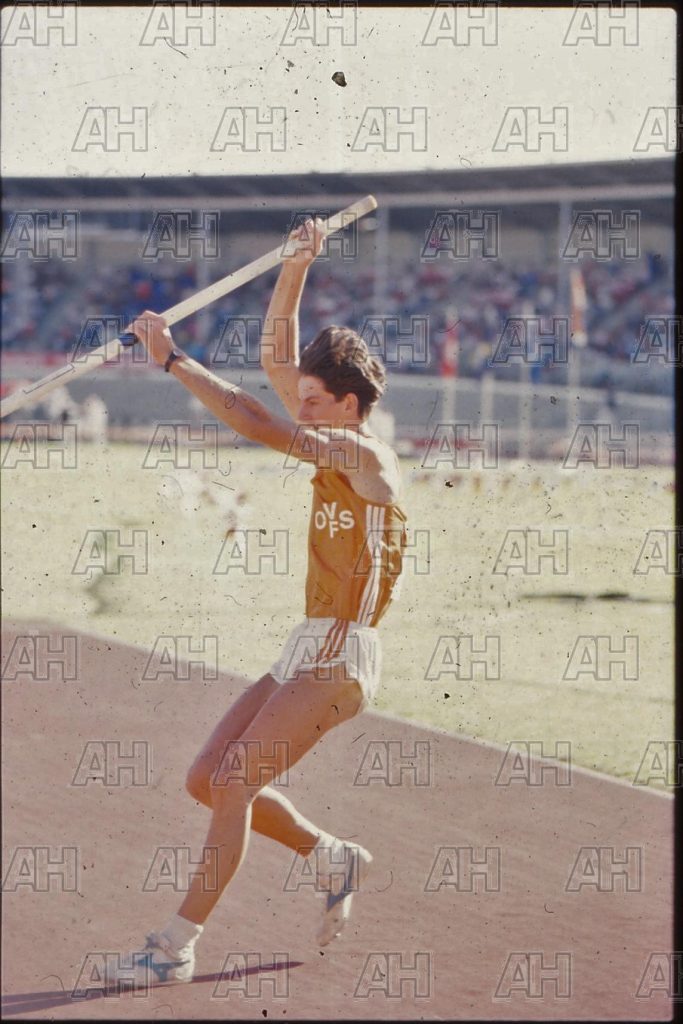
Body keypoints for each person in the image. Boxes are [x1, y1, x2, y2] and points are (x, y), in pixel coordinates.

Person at [107, 218, 409, 988]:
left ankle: (174, 945)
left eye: (312, 400)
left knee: (236, 780)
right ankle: (329, 856)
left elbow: (254, 417)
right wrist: (296, 267)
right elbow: (276, 361)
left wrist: (172, 359)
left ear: (347, 404)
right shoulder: (329, 432)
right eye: (300, 399)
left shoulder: (362, 454)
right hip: (307, 644)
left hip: (342, 653)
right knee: (207, 777)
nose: (299, 406)